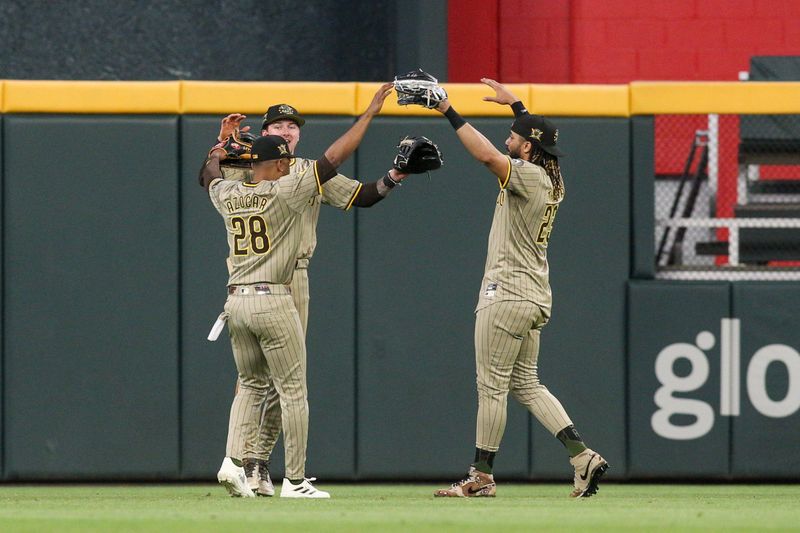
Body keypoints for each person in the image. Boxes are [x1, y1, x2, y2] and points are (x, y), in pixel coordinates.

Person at [202, 83, 400, 498]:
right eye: (279, 125)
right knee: (288, 386)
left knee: (255, 381)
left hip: (248, 288)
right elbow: (335, 157)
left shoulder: (239, 178)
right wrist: (370, 113)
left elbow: (211, 179)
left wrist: (218, 148)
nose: (288, 131)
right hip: (274, 287)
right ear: (265, 136)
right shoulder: (287, 179)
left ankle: (238, 462)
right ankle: (287, 476)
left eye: (293, 125)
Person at [431, 78, 608, 498]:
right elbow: (524, 143)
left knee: (491, 386)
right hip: (533, 294)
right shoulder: (553, 176)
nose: (507, 139)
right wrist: (518, 108)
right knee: (526, 383)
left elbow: (488, 157)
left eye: (514, 136)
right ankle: (581, 455)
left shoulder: (527, 175)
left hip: (507, 293)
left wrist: (448, 111)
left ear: (528, 148)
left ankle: (481, 476)